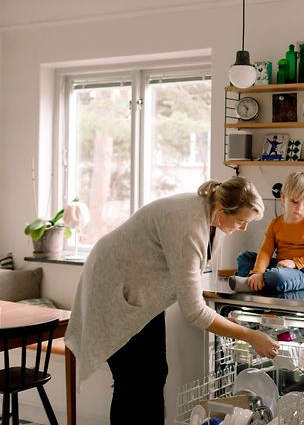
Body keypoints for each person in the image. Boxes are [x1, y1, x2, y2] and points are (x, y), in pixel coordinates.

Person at [64, 177, 280, 424]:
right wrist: (250, 336)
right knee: (132, 381)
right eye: (241, 221)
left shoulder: (211, 216)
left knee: (155, 374)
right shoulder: (189, 224)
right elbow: (195, 312)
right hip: (112, 288)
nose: (243, 228)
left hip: (141, 292)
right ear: (222, 210)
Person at [229, 172, 304, 293]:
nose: (299, 208)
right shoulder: (275, 224)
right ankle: (255, 280)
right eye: (294, 201)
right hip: (280, 266)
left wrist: (295, 263)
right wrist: (258, 272)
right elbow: (266, 251)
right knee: (244, 257)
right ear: (283, 198)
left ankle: (252, 282)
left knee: (275, 276)